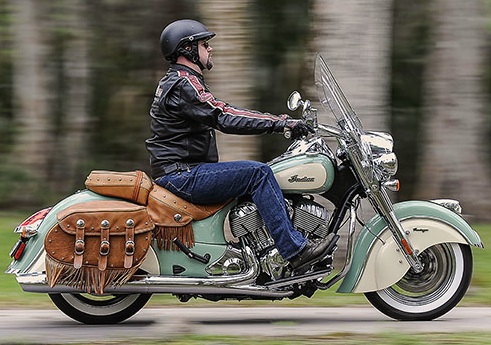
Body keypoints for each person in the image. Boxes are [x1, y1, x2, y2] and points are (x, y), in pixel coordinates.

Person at [146, 19, 331, 270]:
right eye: (204, 44)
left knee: (259, 174)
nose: (210, 49)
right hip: (183, 174)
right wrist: (282, 123)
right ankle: (294, 251)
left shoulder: (180, 82)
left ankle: (262, 255)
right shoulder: (183, 85)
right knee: (258, 173)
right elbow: (224, 115)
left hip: (181, 171)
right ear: (187, 50)